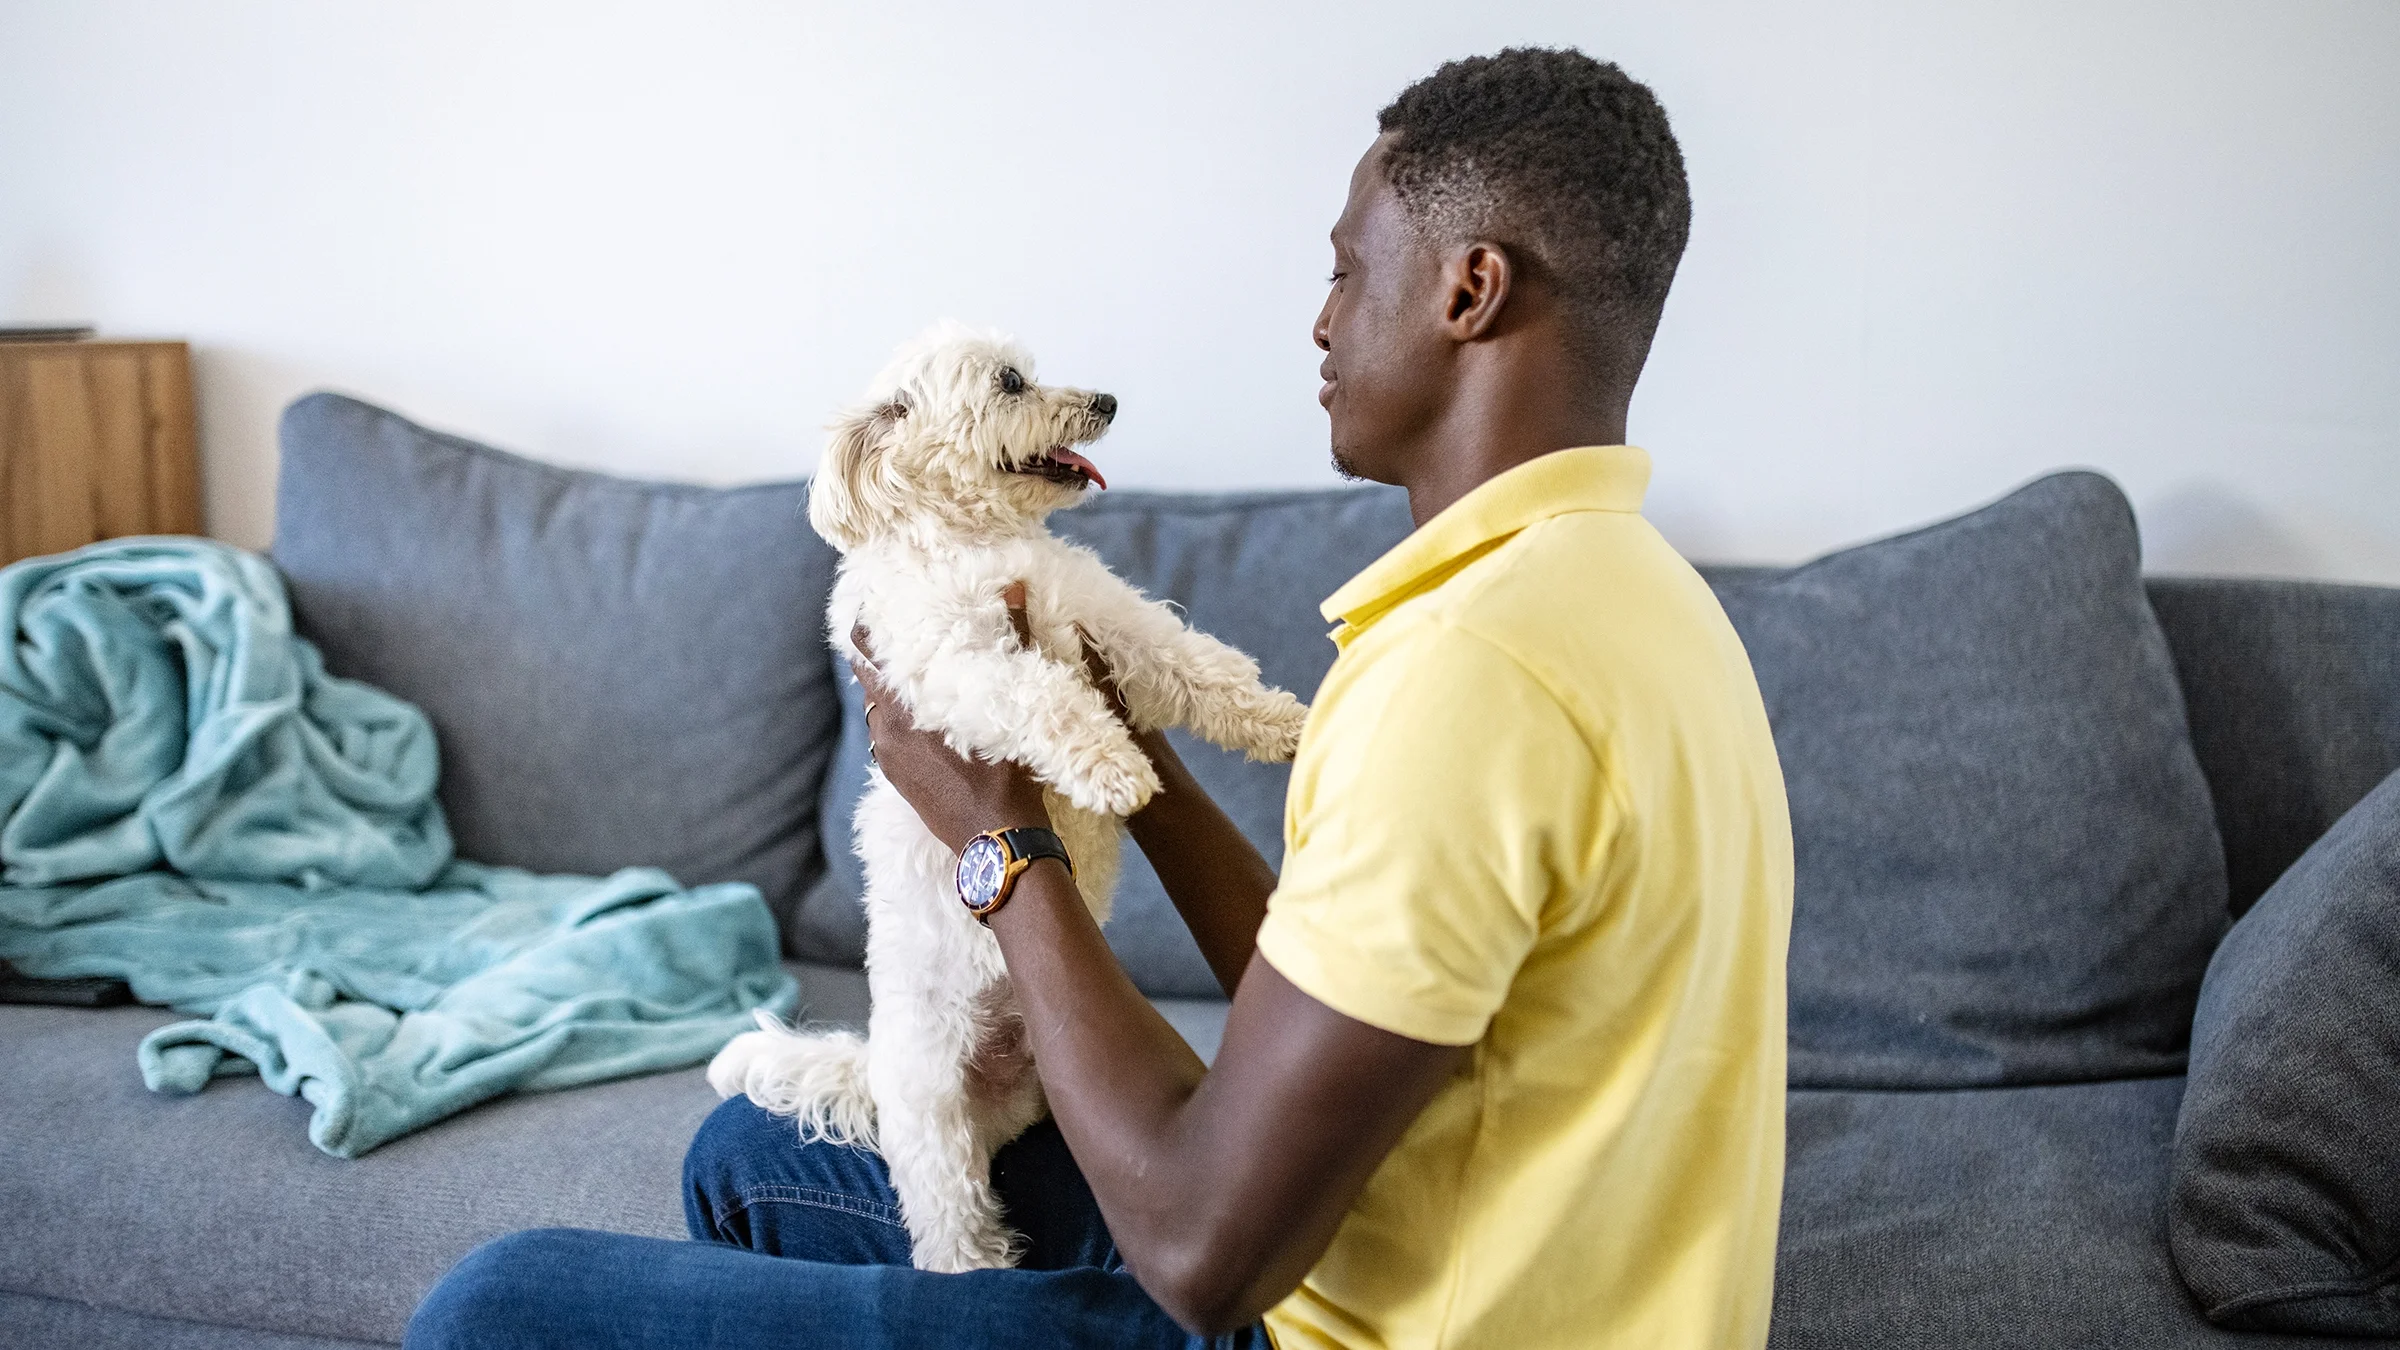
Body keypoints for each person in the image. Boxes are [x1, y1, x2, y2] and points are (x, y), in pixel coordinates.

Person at [407, 45, 1792, 1350]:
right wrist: (1156, 765)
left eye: (1346, 270)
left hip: (1325, 1310)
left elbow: (1201, 1256)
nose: (1319, 320)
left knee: (492, 1307)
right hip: (1428, 1229)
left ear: (1468, 291)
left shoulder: (1474, 676)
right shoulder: (1635, 600)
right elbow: (1348, 1003)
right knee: (751, 1154)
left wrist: (1002, 846)